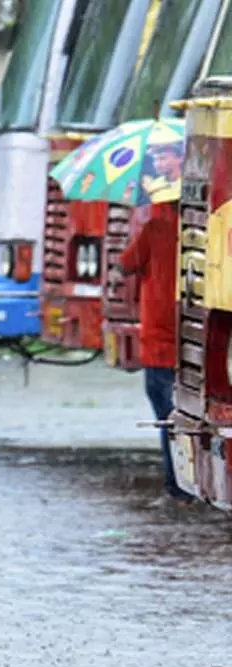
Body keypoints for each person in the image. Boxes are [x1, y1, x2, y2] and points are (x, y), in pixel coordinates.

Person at [116, 200, 192, 503]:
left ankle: (178, 489)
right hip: (195, 343)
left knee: (167, 418)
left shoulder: (156, 228)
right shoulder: (210, 229)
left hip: (160, 343)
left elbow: (124, 265)